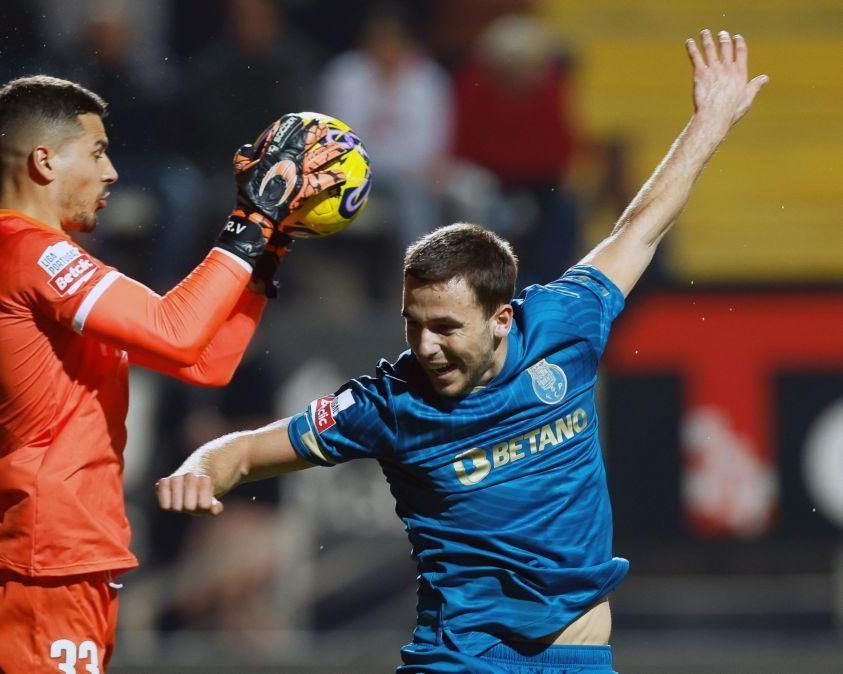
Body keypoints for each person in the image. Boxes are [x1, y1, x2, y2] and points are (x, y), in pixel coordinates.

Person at [156, 31, 767, 672]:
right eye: (412, 324)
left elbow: (639, 228)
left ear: (502, 318)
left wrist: (711, 122)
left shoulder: (564, 324)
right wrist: (201, 467)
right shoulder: (388, 402)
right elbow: (248, 450)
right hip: (457, 662)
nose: (426, 346)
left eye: (446, 328)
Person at [0, 75, 349, 672]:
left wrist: (269, 247)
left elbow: (204, 360)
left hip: (67, 560)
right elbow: (176, 329)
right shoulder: (29, 255)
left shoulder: (41, 261)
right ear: (43, 161)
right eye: (96, 152)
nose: (112, 170)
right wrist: (252, 217)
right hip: (42, 560)